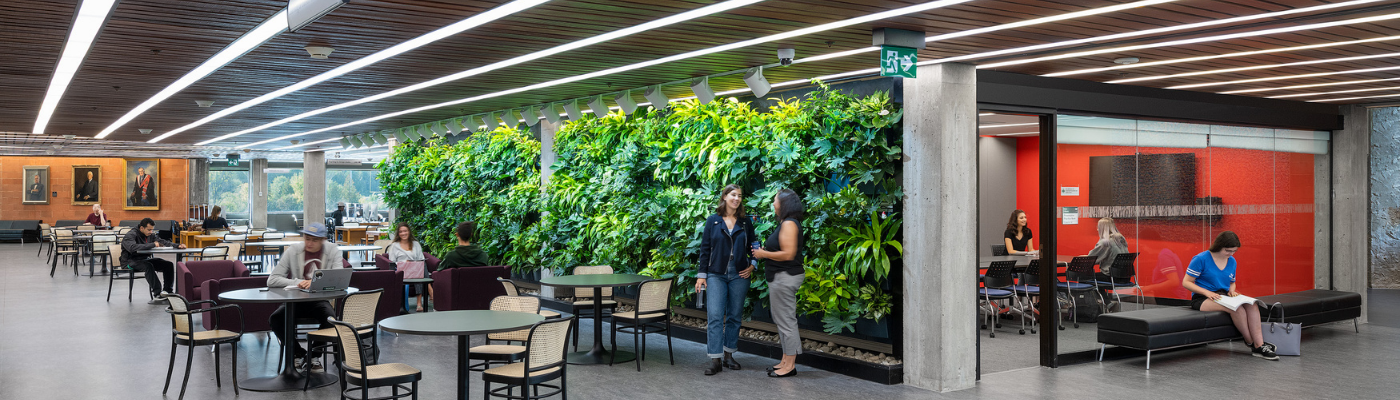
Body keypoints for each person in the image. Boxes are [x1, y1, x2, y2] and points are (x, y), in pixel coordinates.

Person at [1183, 231, 1277, 361]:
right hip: (1203, 298)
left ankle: (1260, 344)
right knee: (1236, 308)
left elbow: (1232, 282)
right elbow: (1186, 282)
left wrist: (1232, 290)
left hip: (1223, 296)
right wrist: (1207, 292)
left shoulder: (1232, 261)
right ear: (1219, 246)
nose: (1231, 254)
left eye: (1234, 251)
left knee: (1252, 305)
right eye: (1228, 250)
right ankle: (1252, 344)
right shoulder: (1201, 259)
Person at [265, 222, 345, 371]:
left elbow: (338, 278)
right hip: (295, 299)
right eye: (307, 238)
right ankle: (299, 354)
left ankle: (314, 356)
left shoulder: (333, 250)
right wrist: (299, 282)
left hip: (319, 300)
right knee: (275, 319)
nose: (309, 243)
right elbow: (272, 279)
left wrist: (315, 283)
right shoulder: (293, 251)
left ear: (323, 240)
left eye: (314, 240)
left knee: (331, 320)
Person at [695, 184, 755, 375]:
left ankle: (729, 356)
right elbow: (705, 250)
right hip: (716, 274)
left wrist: (753, 265)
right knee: (714, 315)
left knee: (734, 316)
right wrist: (701, 276)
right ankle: (715, 359)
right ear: (725, 197)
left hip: (739, 274)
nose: (737, 198)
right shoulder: (713, 221)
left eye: (739, 195)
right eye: (733, 195)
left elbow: (754, 246)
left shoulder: (745, 222)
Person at [752, 188, 805, 378]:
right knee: (781, 319)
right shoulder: (786, 223)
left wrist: (763, 254)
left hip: (785, 277)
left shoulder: (789, 224)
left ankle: (790, 365)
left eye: (775, 200)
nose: (773, 204)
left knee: (786, 321)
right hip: (780, 277)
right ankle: (785, 360)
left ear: (783, 204)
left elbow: (788, 254)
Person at [120, 218, 185, 304]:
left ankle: (167, 292)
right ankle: (157, 294)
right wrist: (152, 244)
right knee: (148, 266)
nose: (151, 232)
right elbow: (132, 248)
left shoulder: (150, 234)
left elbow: (162, 241)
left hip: (143, 259)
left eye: (152, 230)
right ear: (142, 228)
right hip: (129, 262)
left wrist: (177, 245)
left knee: (168, 265)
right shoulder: (131, 235)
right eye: (149, 229)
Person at [386, 223, 429, 312]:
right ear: (398, 234)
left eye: (405, 231)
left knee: (419, 266)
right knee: (417, 270)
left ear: (409, 232)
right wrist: (403, 263)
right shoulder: (394, 246)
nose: (403, 233)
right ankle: (430, 288)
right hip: (401, 269)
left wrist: (413, 264)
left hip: (415, 269)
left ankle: (419, 303)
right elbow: (392, 262)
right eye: (401, 232)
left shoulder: (415, 244)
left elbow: (421, 258)